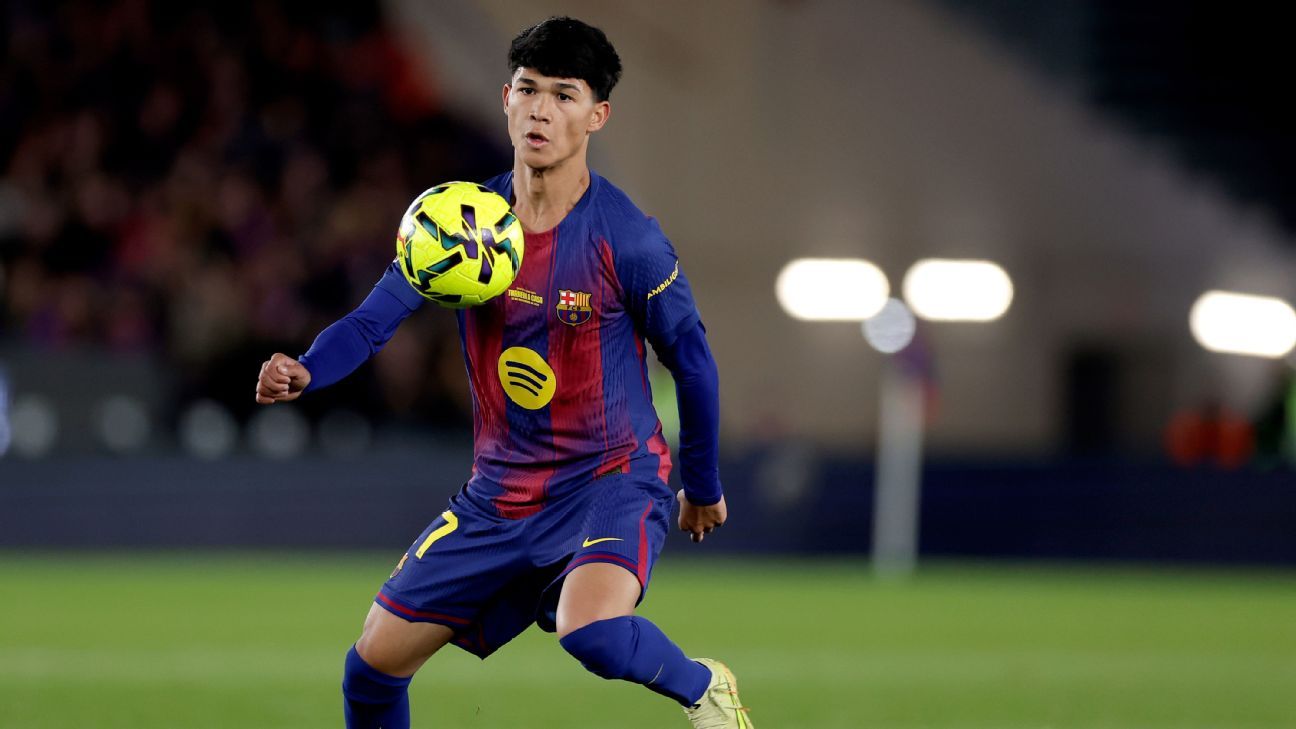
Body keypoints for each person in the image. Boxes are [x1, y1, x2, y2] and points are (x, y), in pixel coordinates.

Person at [254, 16, 752, 729]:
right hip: (499, 494)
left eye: (564, 95)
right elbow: (371, 322)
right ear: (506, 99)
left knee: (592, 632)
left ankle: (705, 687)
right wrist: (306, 369)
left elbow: (694, 362)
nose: (541, 109)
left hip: (609, 478)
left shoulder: (629, 240)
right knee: (371, 668)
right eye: (528, 89)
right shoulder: (462, 224)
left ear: (597, 115)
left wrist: (701, 486)